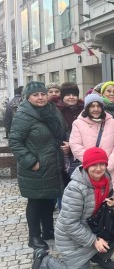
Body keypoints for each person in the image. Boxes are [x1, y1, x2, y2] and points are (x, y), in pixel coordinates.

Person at [31, 147, 114, 269]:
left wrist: (113, 204)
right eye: (94, 165)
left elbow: (107, 201)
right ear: (87, 166)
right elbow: (70, 224)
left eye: (101, 164)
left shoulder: (106, 178)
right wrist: (94, 241)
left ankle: (98, 256)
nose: (99, 169)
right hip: (70, 236)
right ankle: (44, 260)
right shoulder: (75, 189)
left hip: (93, 226)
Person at [9, 81, 67, 250]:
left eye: (43, 94)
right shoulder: (24, 115)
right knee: (35, 202)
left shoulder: (52, 110)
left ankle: (48, 230)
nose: (40, 97)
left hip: (52, 164)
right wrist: (31, 162)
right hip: (36, 167)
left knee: (49, 200)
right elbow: (15, 141)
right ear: (28, 97)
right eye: (35, 95)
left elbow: (60, 130)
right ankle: (34, 236)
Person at [69, 94, 114, 194]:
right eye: (92, 106)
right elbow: (75, 146)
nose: (96, 109)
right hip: (89, 171)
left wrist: (108, 165)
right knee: (91, 203)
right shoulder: (78, 123)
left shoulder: (111, 122)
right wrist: (93, 164)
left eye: (98, 106)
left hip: (110, 170)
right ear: (86, 108)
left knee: (110, 201)